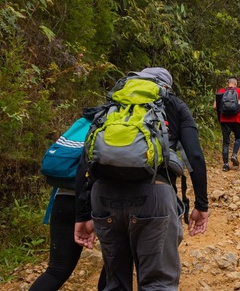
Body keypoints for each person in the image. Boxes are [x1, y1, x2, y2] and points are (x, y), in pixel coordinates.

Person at [74, 67, 210, 290]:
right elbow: (194, 156)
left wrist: (81, 214)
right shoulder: (173, 104)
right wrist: (201, 205)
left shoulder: (115, 103)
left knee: (114, 283)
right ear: (166, 86)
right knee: (157, 284)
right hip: (154, 195)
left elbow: (85, 161)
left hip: (104, 197)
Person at [31, 108, 106, 291]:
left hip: (64, 198)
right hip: (102, 200)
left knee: (56, 271)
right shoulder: (122, 120)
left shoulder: (85, 121)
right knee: (115, 269)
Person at [213, 77, 240, 171]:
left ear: (228, 83)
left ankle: (225, 164)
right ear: (235, 84)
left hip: (224, 120)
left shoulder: (221, 91)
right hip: (236, 119)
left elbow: (214, 106)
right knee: (238, 137)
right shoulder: (239, 90)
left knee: (226, 142)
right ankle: (234, 155)